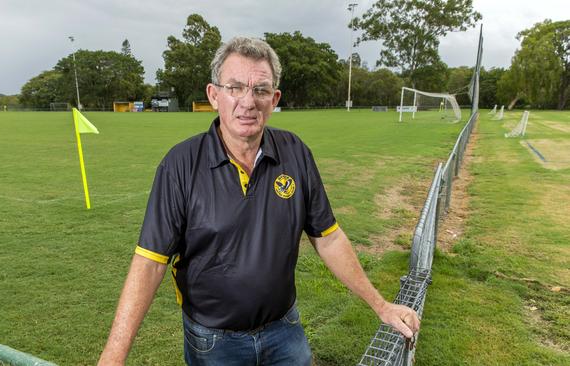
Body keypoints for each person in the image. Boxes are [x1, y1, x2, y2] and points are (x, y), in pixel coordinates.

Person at [98, 36, 420, 366]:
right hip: (213, 343)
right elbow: (150, 262)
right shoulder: (179, 165)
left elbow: (330, 238)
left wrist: (381, 305)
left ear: (274, 98)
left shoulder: (295, 153)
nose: (248, 102)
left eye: (261, 90)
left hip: (285, 331)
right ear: (214, 95)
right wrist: (114, 355)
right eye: (235, 87)